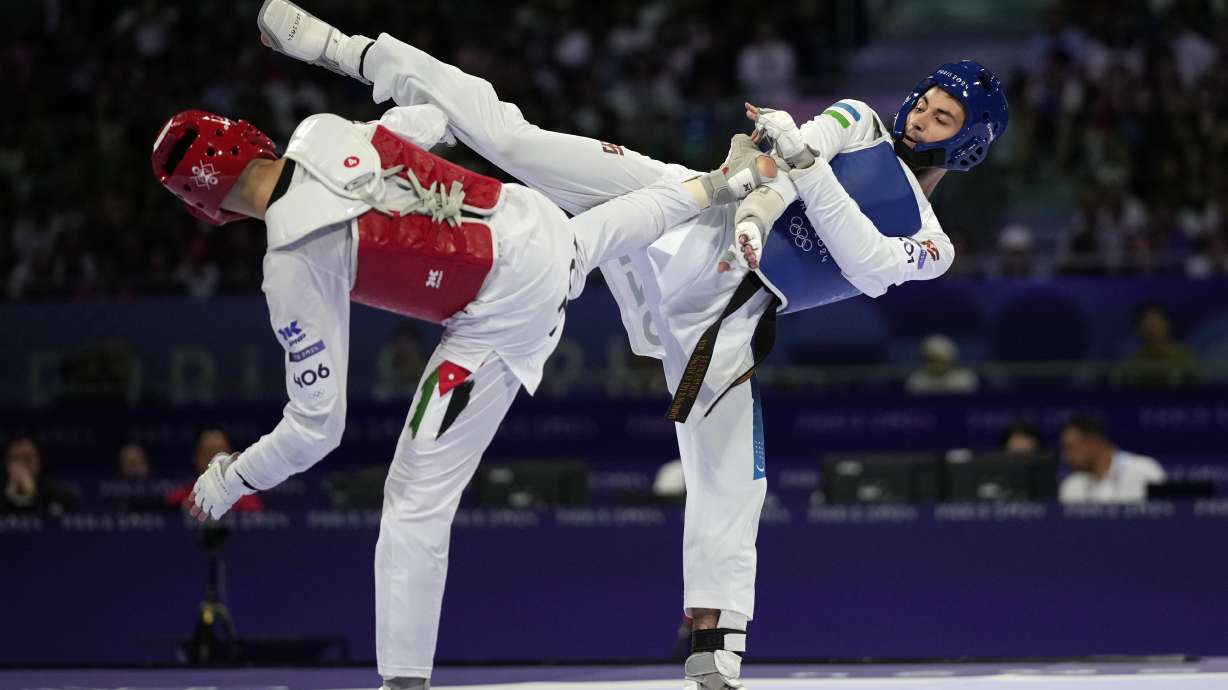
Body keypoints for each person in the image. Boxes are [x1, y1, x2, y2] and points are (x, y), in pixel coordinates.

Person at [256, 3, 1008, 687]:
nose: (920, 117)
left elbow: (867, 263)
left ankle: (714, 647)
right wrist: (764, 204)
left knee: (733, 474)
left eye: (942, 118)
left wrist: (805, 171)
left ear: (968, 143)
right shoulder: (858, 119)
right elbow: (780, 164)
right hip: (692, 208)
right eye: (925, 101)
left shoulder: (932, 245)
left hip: (726, 316)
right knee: (516, 138)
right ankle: (350, 50)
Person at [150, 50, 767, 689]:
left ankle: (403, 682)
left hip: (498, 313)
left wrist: (231, 479)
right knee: (580, 243)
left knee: (415, 498)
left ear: (206, 206)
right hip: (533, 221)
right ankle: (720, 183)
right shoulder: (326, 131)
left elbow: (315, 428)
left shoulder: (292, 262)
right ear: (247, 136)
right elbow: (432, 118)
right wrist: (378, 127)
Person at [1058, 414, 1165, 503]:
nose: (1066, 457)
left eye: (1071, 448)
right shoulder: (1071, 486)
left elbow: (1166, 514)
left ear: (1093, 442)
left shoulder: (1146, 470)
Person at [165, 430, 263, 513]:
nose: (214, 461)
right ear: (196, 458)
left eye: (219, 454)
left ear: (232, 458)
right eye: (207, 454)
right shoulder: (177, 500)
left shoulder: (249, 504)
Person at [1115, 303, 1200, 388]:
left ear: (1167, 324)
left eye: (1157, 321)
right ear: (1139, 328)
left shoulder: (1185, 357)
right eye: (1147, 323)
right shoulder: (1132, 364)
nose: (1153, 328)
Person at [1, 436, 70, 514]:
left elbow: (52, 514)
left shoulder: (55, 491)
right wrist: (8, 493)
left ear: (39, 461)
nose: (21, 464)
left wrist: (31, 491)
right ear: (6, 462)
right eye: (15, 459)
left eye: (27, 458)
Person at [904, 334, 980, 394]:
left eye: (940, 360)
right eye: (930, 360)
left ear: (951, 359)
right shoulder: (915, 381)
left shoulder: (966, 380)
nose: (935, 365)